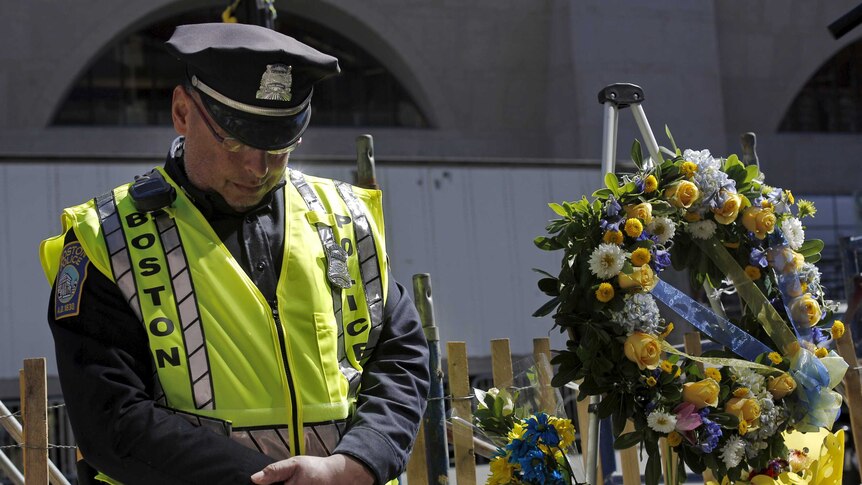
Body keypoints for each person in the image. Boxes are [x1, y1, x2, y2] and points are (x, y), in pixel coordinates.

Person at [39, 22, 429, 485]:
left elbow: (399, 353)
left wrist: (357, 463)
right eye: (234, 139)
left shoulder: (345, 215)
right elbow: (112, 418)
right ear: (183, 112)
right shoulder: (104, 238)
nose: (256, 167)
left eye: (279, 146)